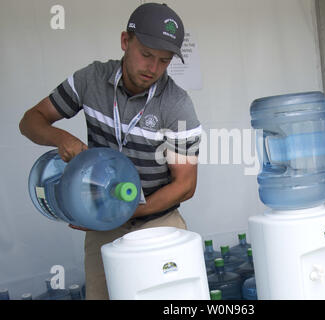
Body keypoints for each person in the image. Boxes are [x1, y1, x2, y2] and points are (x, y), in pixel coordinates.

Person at [19, 3, 201, 300]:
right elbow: (29, 120)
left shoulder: (177, 104)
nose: (153, 68)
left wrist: (131, 210)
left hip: (158, 223)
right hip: (104, 225)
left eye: (164, 60)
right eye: (146, 54)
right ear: (125, 42)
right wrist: (60, 137)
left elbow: (186, 185)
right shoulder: (89, 80)